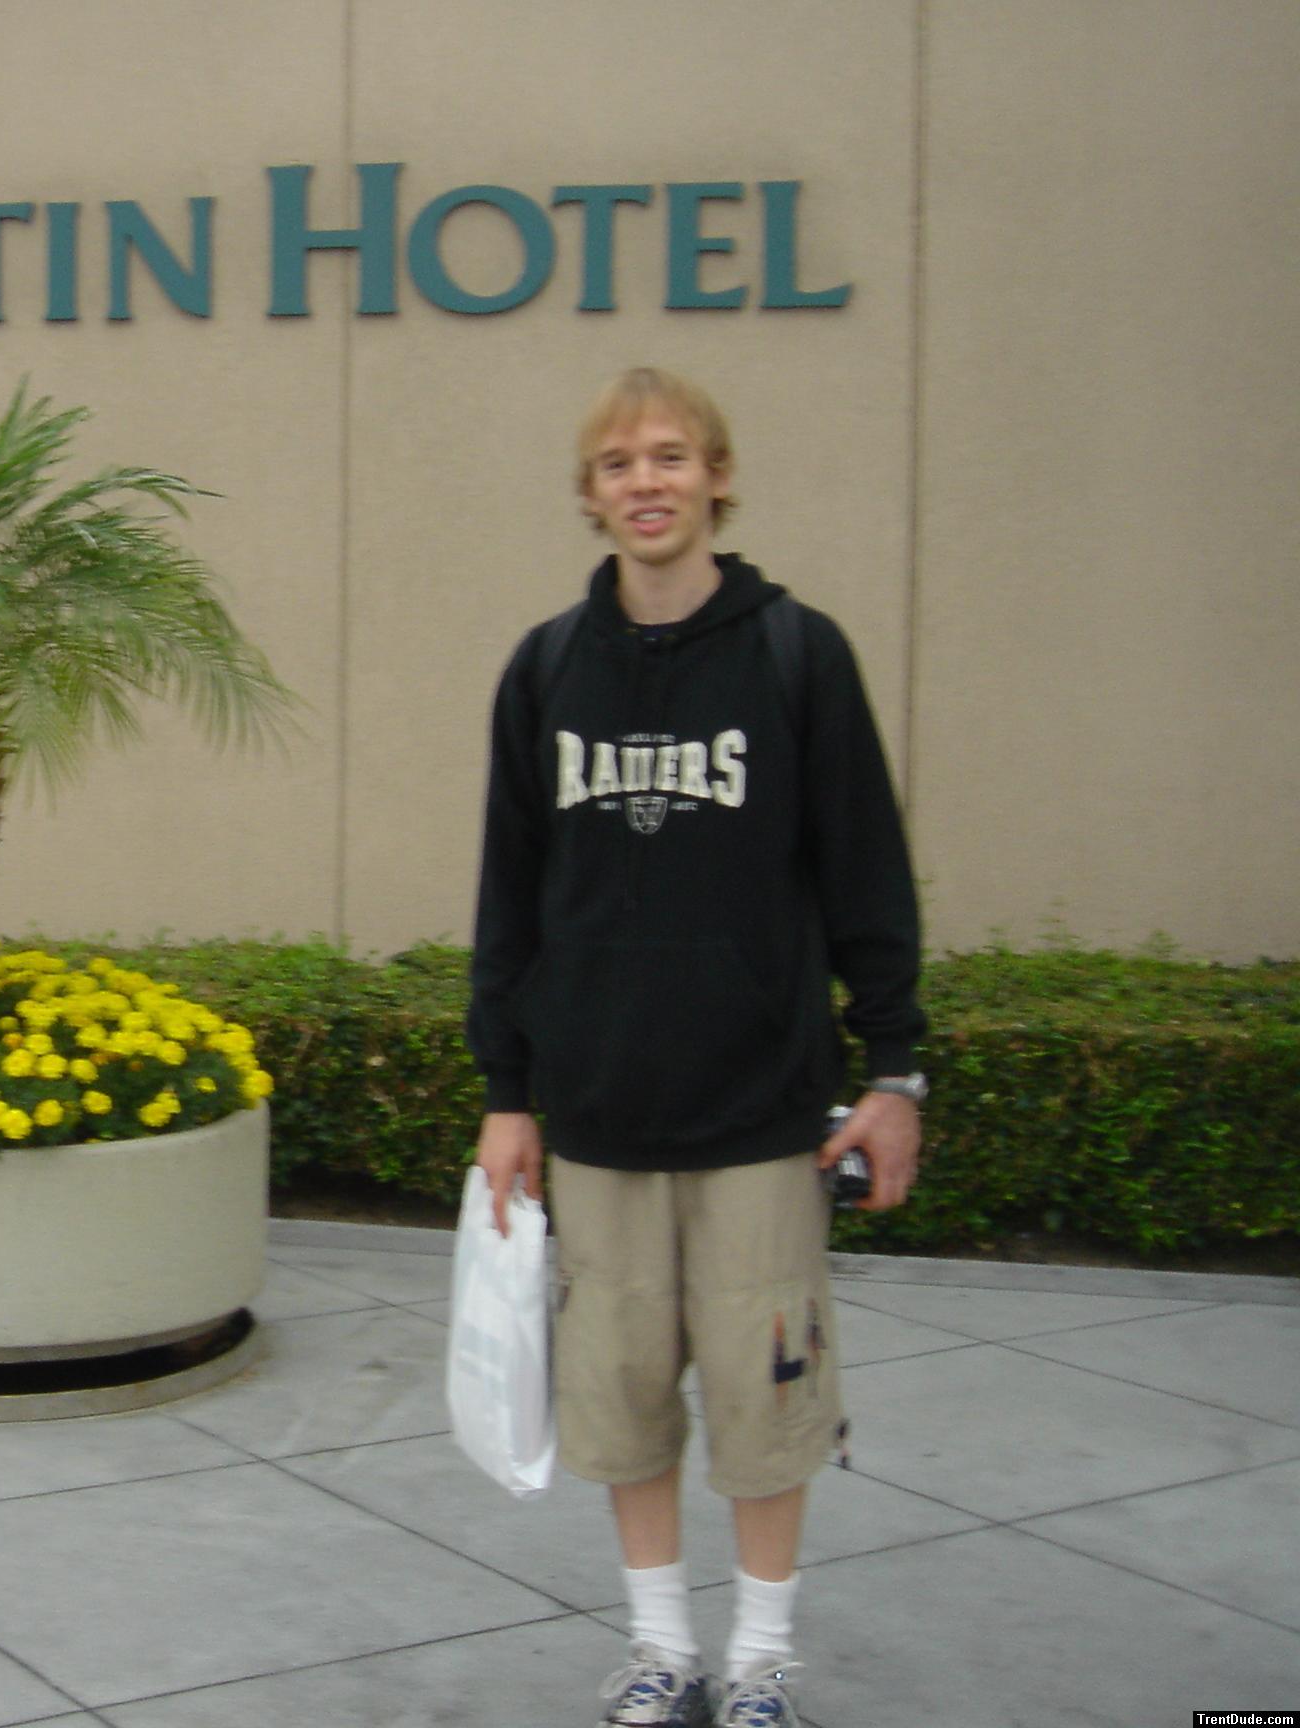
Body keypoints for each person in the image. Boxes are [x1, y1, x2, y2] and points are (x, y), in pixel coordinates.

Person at [466, 367, 928, 1728]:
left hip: (761, 1112)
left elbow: (867, 874)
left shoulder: (797, 653)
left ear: (718, 478)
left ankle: (764, 1661)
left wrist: (893, 1073)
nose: (647, 482)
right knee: (621, 1400)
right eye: (619, 464)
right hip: (600, 1111)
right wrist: (508, 1093)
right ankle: (662, 1650)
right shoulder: (546, 667)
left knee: (767, 1401)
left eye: (671, 456)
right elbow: (510, 897)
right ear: (591, 494)